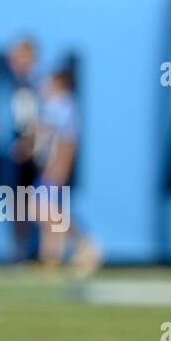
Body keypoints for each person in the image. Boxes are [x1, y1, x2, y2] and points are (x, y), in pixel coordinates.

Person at [33, 66, 100, 274]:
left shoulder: (62, 106)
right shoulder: (55, 105)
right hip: (48, 166)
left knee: (44, 210)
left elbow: (67, 141)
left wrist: (59, 168)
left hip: (54, 168)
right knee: (42, 211)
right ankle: (51, 256)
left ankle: (83, 242)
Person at [4, 37, 42, 261]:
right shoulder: (11, 83)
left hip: (35, 153)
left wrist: (28, 145)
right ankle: (20, 250)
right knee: (18, 203)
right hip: (17, 151)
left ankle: (73, 244)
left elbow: (40, 122)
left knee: (41, 205)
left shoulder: (37, 83)